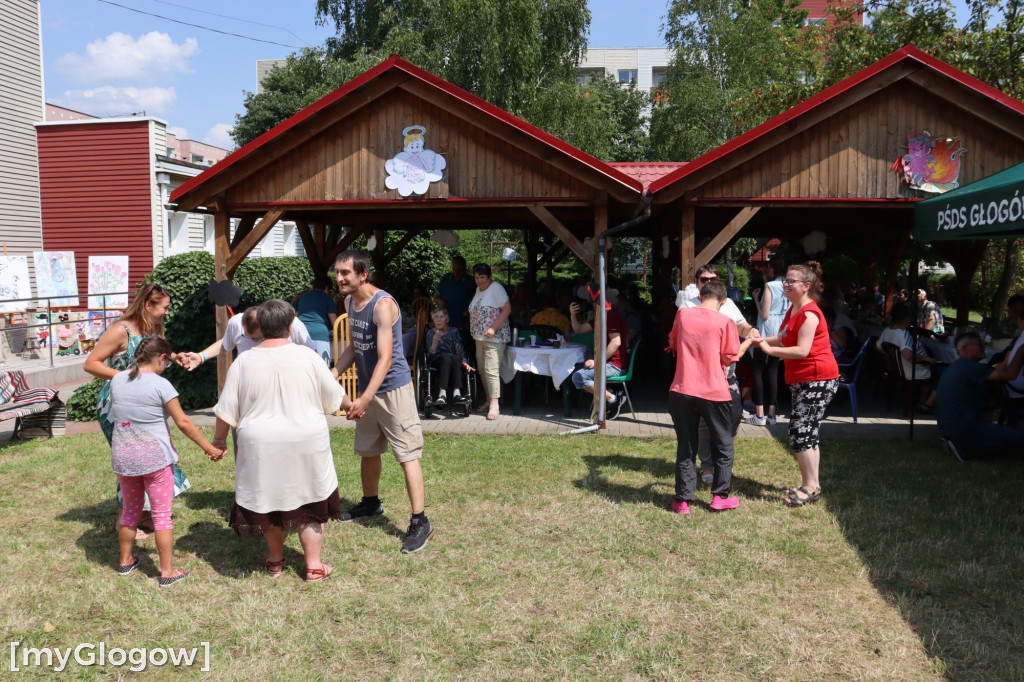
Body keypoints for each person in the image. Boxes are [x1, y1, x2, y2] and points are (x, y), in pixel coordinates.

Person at [212, 300, 350, 581]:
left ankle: (275, 562)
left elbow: (226, 407)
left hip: (260, 442)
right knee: (310, 503)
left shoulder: (243, 362)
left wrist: (219, 440)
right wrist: (352, 406)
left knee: (268, 501)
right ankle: (313, 566)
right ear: (290, 327)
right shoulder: (308, 356)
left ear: (260, 327)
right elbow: (333, 393)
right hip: (306, 438)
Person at [333, 250, 434, 554]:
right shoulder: (350, 301)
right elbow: (353, 347)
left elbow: (386, 357)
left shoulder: (383, 305)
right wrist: (333, 373)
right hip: (368, 389)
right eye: (337, 273)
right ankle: (370, 503)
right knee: (368, 450)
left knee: (406, 454)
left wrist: (364, 398)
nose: (339, 279)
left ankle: (420, 522)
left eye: (345, 273)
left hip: (392, 390)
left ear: (363, 274)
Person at [109, 336, 224, 586]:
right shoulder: (161, 385)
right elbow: (183, 422)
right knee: (162, 516)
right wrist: (209, 448)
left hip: (123, 455)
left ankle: (125, 560)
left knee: (130, 510)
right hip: (155, 459)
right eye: (167, 362)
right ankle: (167, 572)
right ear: (162, 358)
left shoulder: (117, 380)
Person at [84, 283, 191, 541]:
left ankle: (142, 515)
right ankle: (124, 519)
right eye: (164, 308)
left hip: (143, 402)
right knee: (131, 459)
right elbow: (90, 363)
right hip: (116, 404)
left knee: (149, 456)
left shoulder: (150, 328)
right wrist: (126, 377)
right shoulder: (120, 330)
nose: (167, 312)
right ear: (148, 305)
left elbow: (151, 354)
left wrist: (174, 357)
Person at [754, 261, 839, 507]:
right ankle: (811, 485)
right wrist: (757, 339)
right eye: (785, 281)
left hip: (817, 378)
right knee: (807, 431)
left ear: (806, 286)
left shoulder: (810, 313)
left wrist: (769, 349)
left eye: (791, 281)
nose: (786, 285)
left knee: (800, 432)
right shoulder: (794, 310)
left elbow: (802, 350)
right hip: (805, 380)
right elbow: (782, 338)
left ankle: (810, 486)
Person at [667, 281, 751, 514]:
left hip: (682, 390)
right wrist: (750, 342)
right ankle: (719, 497)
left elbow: (672, 343)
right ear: (723, 301)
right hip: (715, 392)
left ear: (700, 296)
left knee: (686, 445)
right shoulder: (725, 321)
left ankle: (683, 501)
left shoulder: (683, 314)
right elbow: (729, 358)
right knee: (723, 444)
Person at [937, 330, 1024, 461]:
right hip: (963, 426)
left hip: (949, 426)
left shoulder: (960, 366)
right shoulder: (969, 367)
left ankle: (956, 442)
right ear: (965, 348)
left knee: (1001, 437)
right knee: (1018, 439)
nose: (983, 346)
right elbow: (1010, 375)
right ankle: (960, 443)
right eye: (978, 343)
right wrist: (1020, 351)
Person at [180, 305, 316, 370]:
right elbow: (226, 342)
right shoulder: (236, 323)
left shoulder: (292, 324)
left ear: (268, 326)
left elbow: (312, 353)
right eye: (248, 338)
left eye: (257, 339)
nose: (253, 342)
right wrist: (201, 356)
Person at [569, 288, 629, 419]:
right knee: (574, 370)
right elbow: (579, 329)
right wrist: (573, 315)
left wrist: (597, 362)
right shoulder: (600, 316)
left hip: (616, 366)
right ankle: (610, 395)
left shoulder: (611, 316)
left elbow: (616, 341)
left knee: (579, 377)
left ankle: (613, 398)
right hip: (608, 363)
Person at [748, 255, 790, 426]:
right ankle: (772, 414)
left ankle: (759, 414)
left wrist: (757, 300)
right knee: (773, 370)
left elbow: (764, 315)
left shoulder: (769, 286)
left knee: (757, 369)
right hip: (781, 330)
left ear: (772, 269)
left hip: (767, 330)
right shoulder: (788, 286)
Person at [468, 263, 511, 420]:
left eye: (482, 277)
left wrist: (493, 328)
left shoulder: (496, 288)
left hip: (495, 337)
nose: (479, 281)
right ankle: (487, 400)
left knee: (491, 370)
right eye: (477, 277)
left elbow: (507, 309)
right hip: (479, 337)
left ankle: (494, 404)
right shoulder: (478, 290)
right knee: (481, 370)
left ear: (489, 277)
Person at [876, 304, 939, 412]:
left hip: (899, 369)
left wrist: (891, 356)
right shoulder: (902, 334)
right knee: (939, 372)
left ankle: (922, 400)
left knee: (934, 368)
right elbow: (907, 356)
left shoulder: (887, 330)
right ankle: (925, 403)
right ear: (905, 318)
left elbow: (878, 346)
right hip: (911, 370)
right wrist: (925, 359)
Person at [425, 307, 472, 407]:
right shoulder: (430, 333)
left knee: (456, 358)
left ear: (447, 320)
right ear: (433, 320)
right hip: (437, 359)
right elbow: (429, 356)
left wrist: (464, 361)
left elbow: (459, 349)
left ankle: (457, 393)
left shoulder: (454, 331)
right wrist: (434, 343)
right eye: (436, 317)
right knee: (446, 358)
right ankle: (442, 394)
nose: (438, 319)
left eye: (441, 317)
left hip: (453, 359)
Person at [294, 275, 338, 365]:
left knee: (303, 365)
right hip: (320, 334)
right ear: (326, 288)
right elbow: (335, 323)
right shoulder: (327, 299)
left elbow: (295, 318)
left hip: (301, 333)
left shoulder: (302, 297)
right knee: (321, 366)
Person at [434, 255, 476, 334]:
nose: (456, 272)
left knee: (460, 344)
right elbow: (435, 296)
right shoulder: (446, 278)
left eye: (459, 269)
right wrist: (442, 302)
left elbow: (475, 300)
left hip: (462, 321)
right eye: (454, 269)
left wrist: (469, 315)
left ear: (464, 268)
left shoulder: (470, 281)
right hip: (445, 320)